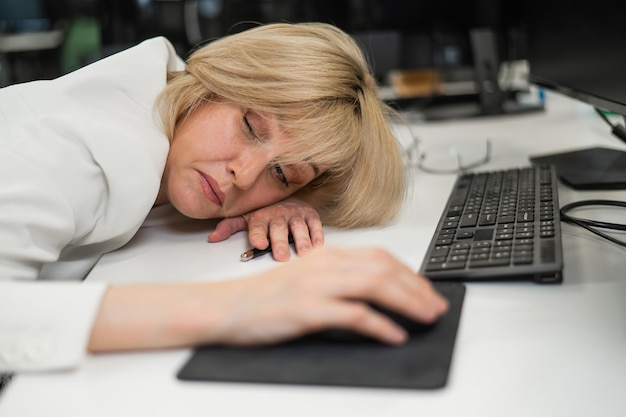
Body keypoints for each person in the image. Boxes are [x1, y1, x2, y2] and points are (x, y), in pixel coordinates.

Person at [0, 23, 448, 373]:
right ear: (215, 81)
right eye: (252, 127)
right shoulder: (57, 147)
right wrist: (243, 304)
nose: (244, 175)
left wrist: (287, 199)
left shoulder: (167, 97)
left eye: (281, 173)